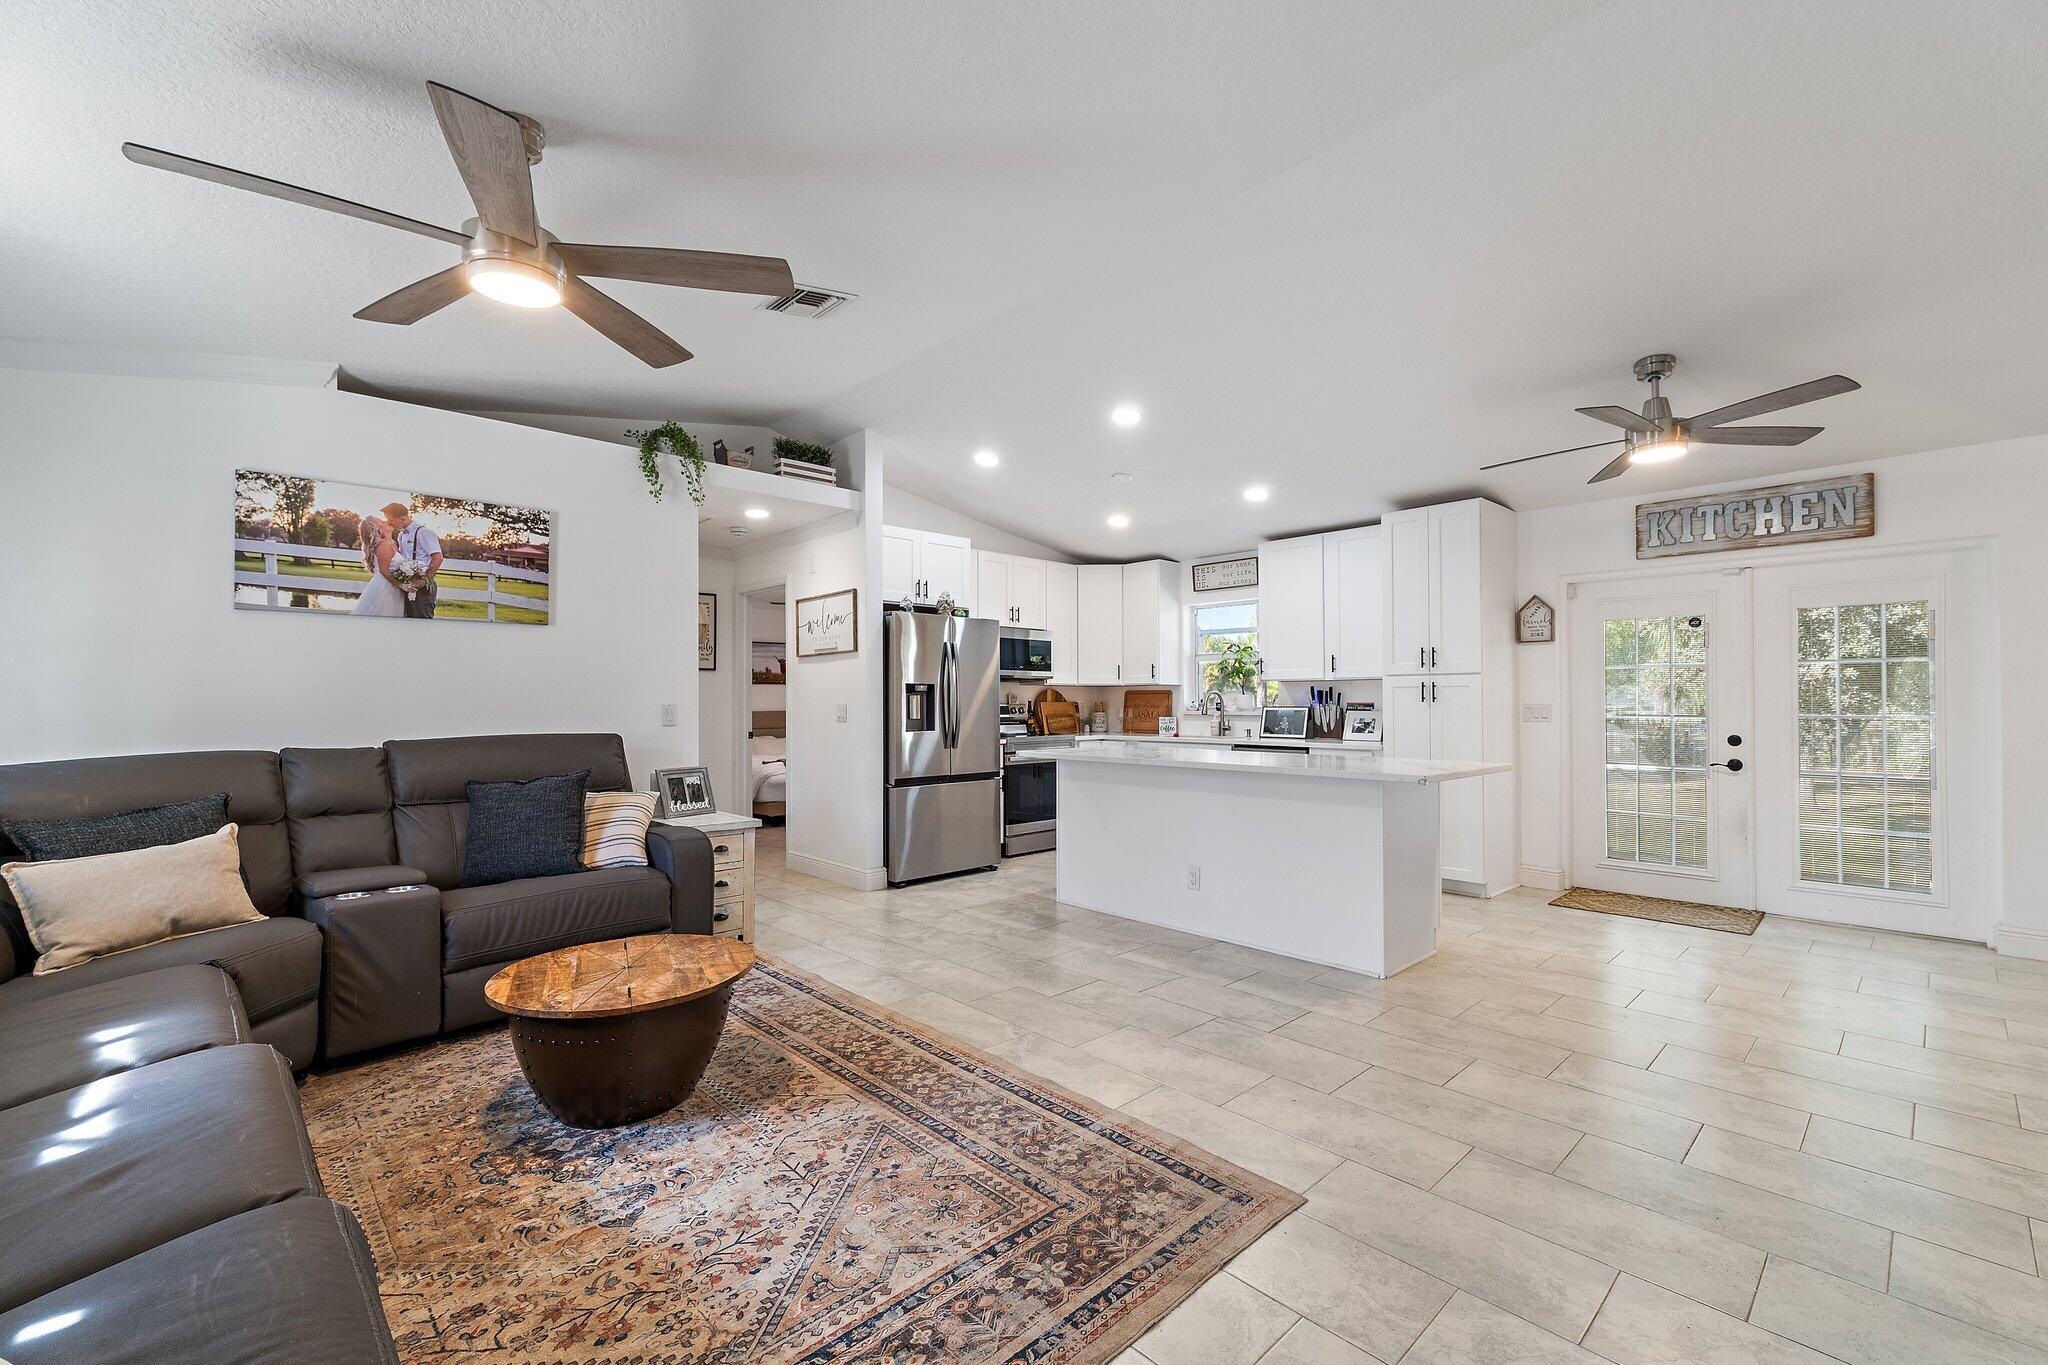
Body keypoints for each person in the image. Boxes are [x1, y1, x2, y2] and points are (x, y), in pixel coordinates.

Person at [382, 501, 442, 619]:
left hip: (423, 586)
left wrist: (424, 580)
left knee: (422, 622)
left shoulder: (423, 532)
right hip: (408, 584)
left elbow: (438, 558)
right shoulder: (401, 535)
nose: (388, 523)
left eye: (390, 520)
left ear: (402, 518)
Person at [351, 515, 408, 617]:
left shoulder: (393, 543)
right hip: (384, 588)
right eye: (382, 522)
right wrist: (403, 586)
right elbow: (384, 570)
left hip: (393, 587)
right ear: (378, 529)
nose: (387, 521)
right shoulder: (384, 544)